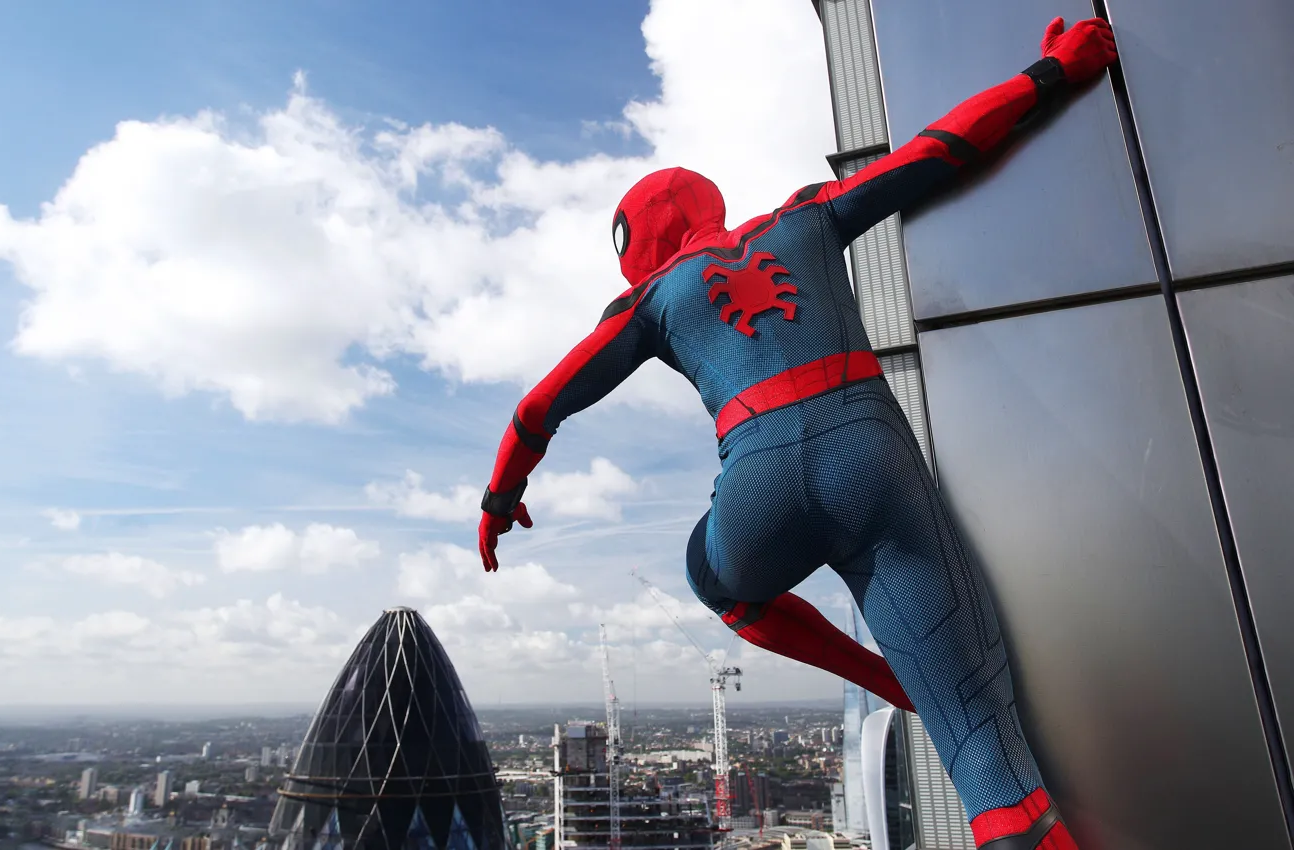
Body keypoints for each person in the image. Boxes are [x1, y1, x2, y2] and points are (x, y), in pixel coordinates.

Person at [476, 16, 1117, 849]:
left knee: (716, 581)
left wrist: (500, 497)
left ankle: (891, 684)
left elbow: (537, 408)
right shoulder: (804, 217)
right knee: (989, 764)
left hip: (755, 484)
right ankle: (937, 696)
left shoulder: (649, 302)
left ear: (637, 247)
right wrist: (1051, 73)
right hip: (870, 452)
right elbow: (938, 150)